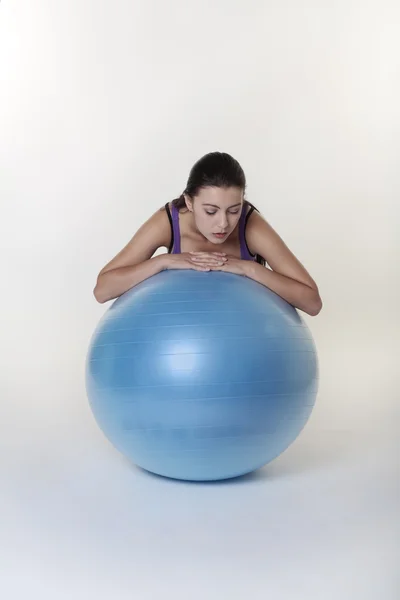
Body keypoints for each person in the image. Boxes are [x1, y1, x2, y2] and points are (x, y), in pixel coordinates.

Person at [93, 152, 322, 316]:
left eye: (234, 210)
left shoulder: (251, 225)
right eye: (210, 211)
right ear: (190, 202)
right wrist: (163, 262)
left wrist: (248, 268)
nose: (223, 223)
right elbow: (103, 290)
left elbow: (312, 303)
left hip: (245, 342)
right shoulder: (169, 222)